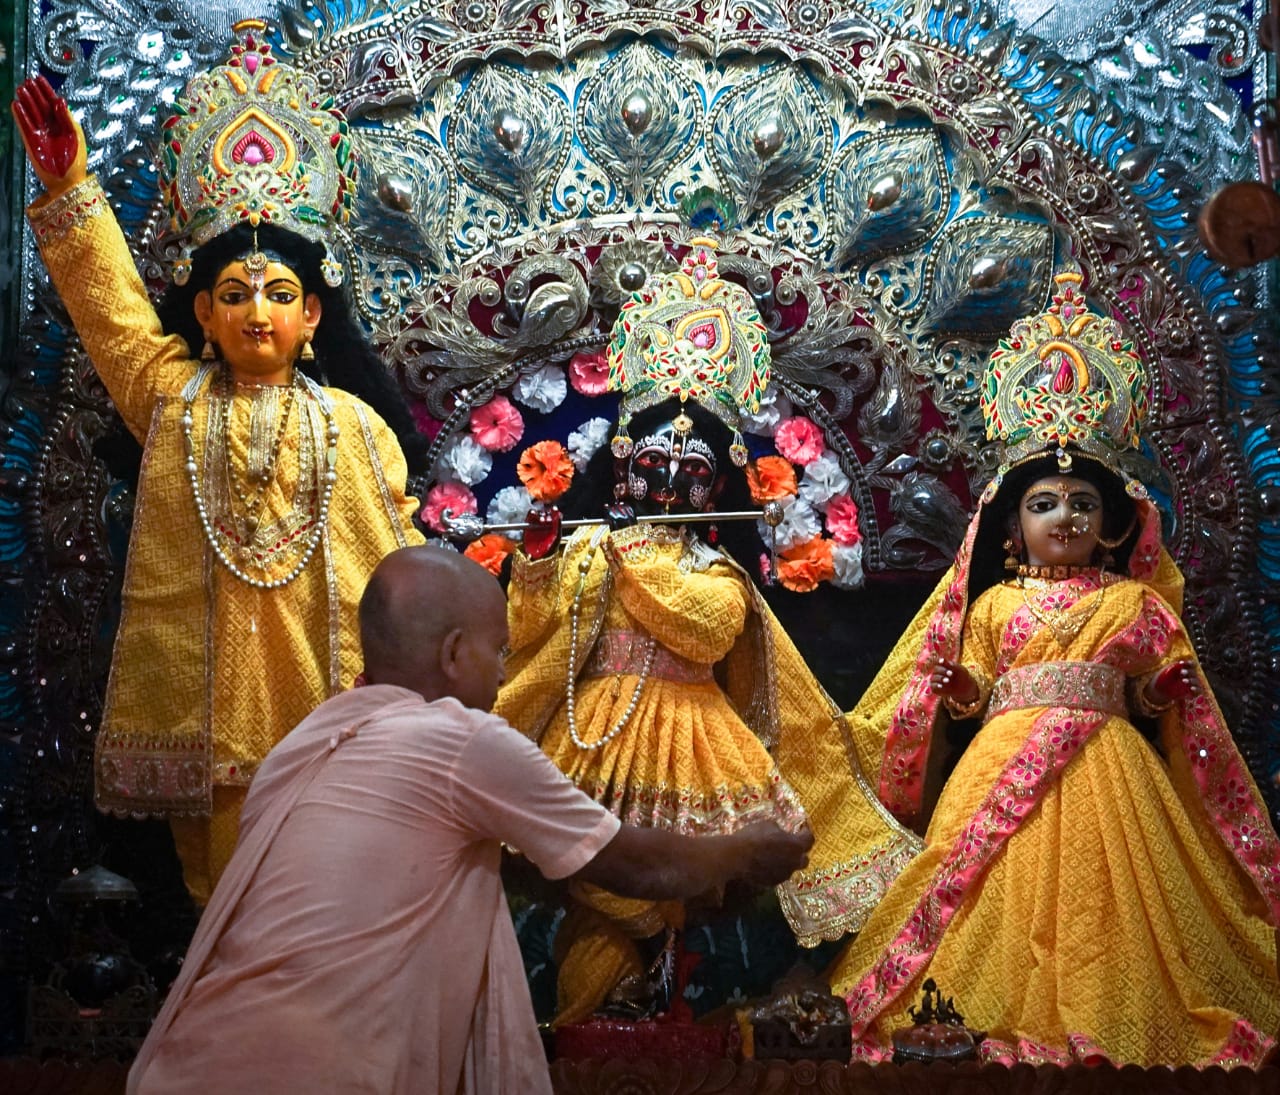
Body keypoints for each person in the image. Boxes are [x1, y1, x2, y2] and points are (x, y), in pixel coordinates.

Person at [125, 545, 813, 1094]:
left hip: (188, 1062)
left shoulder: (298, 747)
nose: (504, 675)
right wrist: (746, 850)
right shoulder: (461, 742)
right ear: (454, 654)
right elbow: (636, 865)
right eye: (501, 652)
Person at [11, 22, 425, 903]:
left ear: (312, 315)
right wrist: (69, 187)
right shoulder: (174, 402)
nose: (256, 313)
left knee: (323, 908)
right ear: (202, 312)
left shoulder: (354, 427)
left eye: (279, 294)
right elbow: (116, 318)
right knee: (227, 907)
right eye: (233, 295)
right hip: (205, 724)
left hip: (328, 724)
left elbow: (391, 574)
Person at [828, 273, 1280, 1066]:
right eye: (1044, 504)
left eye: (1082, 504)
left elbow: (1159, 698)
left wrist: (1157, 689)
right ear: (1013, 527)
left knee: (1110, 905)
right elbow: (971, 687)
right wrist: (959, 690)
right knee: (984, 892)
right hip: (999, 760)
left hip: (1113, 773)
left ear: (1113, 526)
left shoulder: (1135, 605)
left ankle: (1113, 1018)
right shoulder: (995, 604)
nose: (1064, 516)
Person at [496, 241, 919, 1025]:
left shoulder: (716, 572)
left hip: (692, 742)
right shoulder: (590, 548)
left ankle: (653, 1016)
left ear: (716, 483)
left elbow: (705, 631)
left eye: (690, 470)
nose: (666, 481)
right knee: (591, 887)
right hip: (589, 739)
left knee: (675, 898)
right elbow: (535, 630)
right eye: (652, 462)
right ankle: (585, 1027)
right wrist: (540, 561)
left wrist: (627, 560)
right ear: (622, 466)